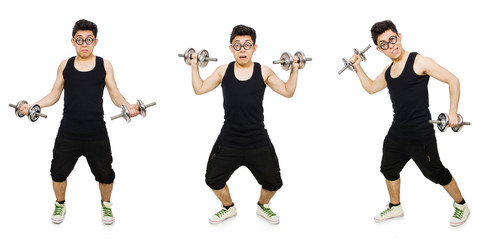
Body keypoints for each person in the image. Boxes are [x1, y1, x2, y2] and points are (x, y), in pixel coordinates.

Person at [349, 20, 469, 226]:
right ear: (379, 49)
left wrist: (452, 112)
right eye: (384, 44)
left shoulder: (419, 61)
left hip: (421, 133)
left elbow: (453, 80)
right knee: (388, 168)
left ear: (400, 37)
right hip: (397, 132)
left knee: (435, 172)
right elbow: (370, 87)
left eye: (392, 39)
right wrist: (357, 67)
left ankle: (461, 205)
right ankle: (395, 207)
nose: (391, 45)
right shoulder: (388, 70)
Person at [20, 19, 140, 225]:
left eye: (89, 40)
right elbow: (54, 94)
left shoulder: (105, 65)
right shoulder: (65, 65)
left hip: (96, 131)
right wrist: (33, 105)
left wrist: (128, 106)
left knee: (105, 173)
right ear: (73, 42)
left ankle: (106, 206)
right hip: (69, 131)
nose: (84, 43)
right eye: (80, 40)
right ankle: (60, 204)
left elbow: (114, 93)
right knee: (57, 172)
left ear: (95, 42)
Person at [189, 24, 299, 224]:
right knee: (212, 179)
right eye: (237, 45)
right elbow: (199, 88)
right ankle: (228, 207)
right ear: (230, 48)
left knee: (274, 182)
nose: (242, 50)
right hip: (229, 138)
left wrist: (294, 69)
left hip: (257, 139)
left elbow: (287, 91)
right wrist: (194, 64)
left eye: (247, 45)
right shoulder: (223, 70)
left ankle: (262, 206)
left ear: (254, 48)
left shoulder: (264, 71)